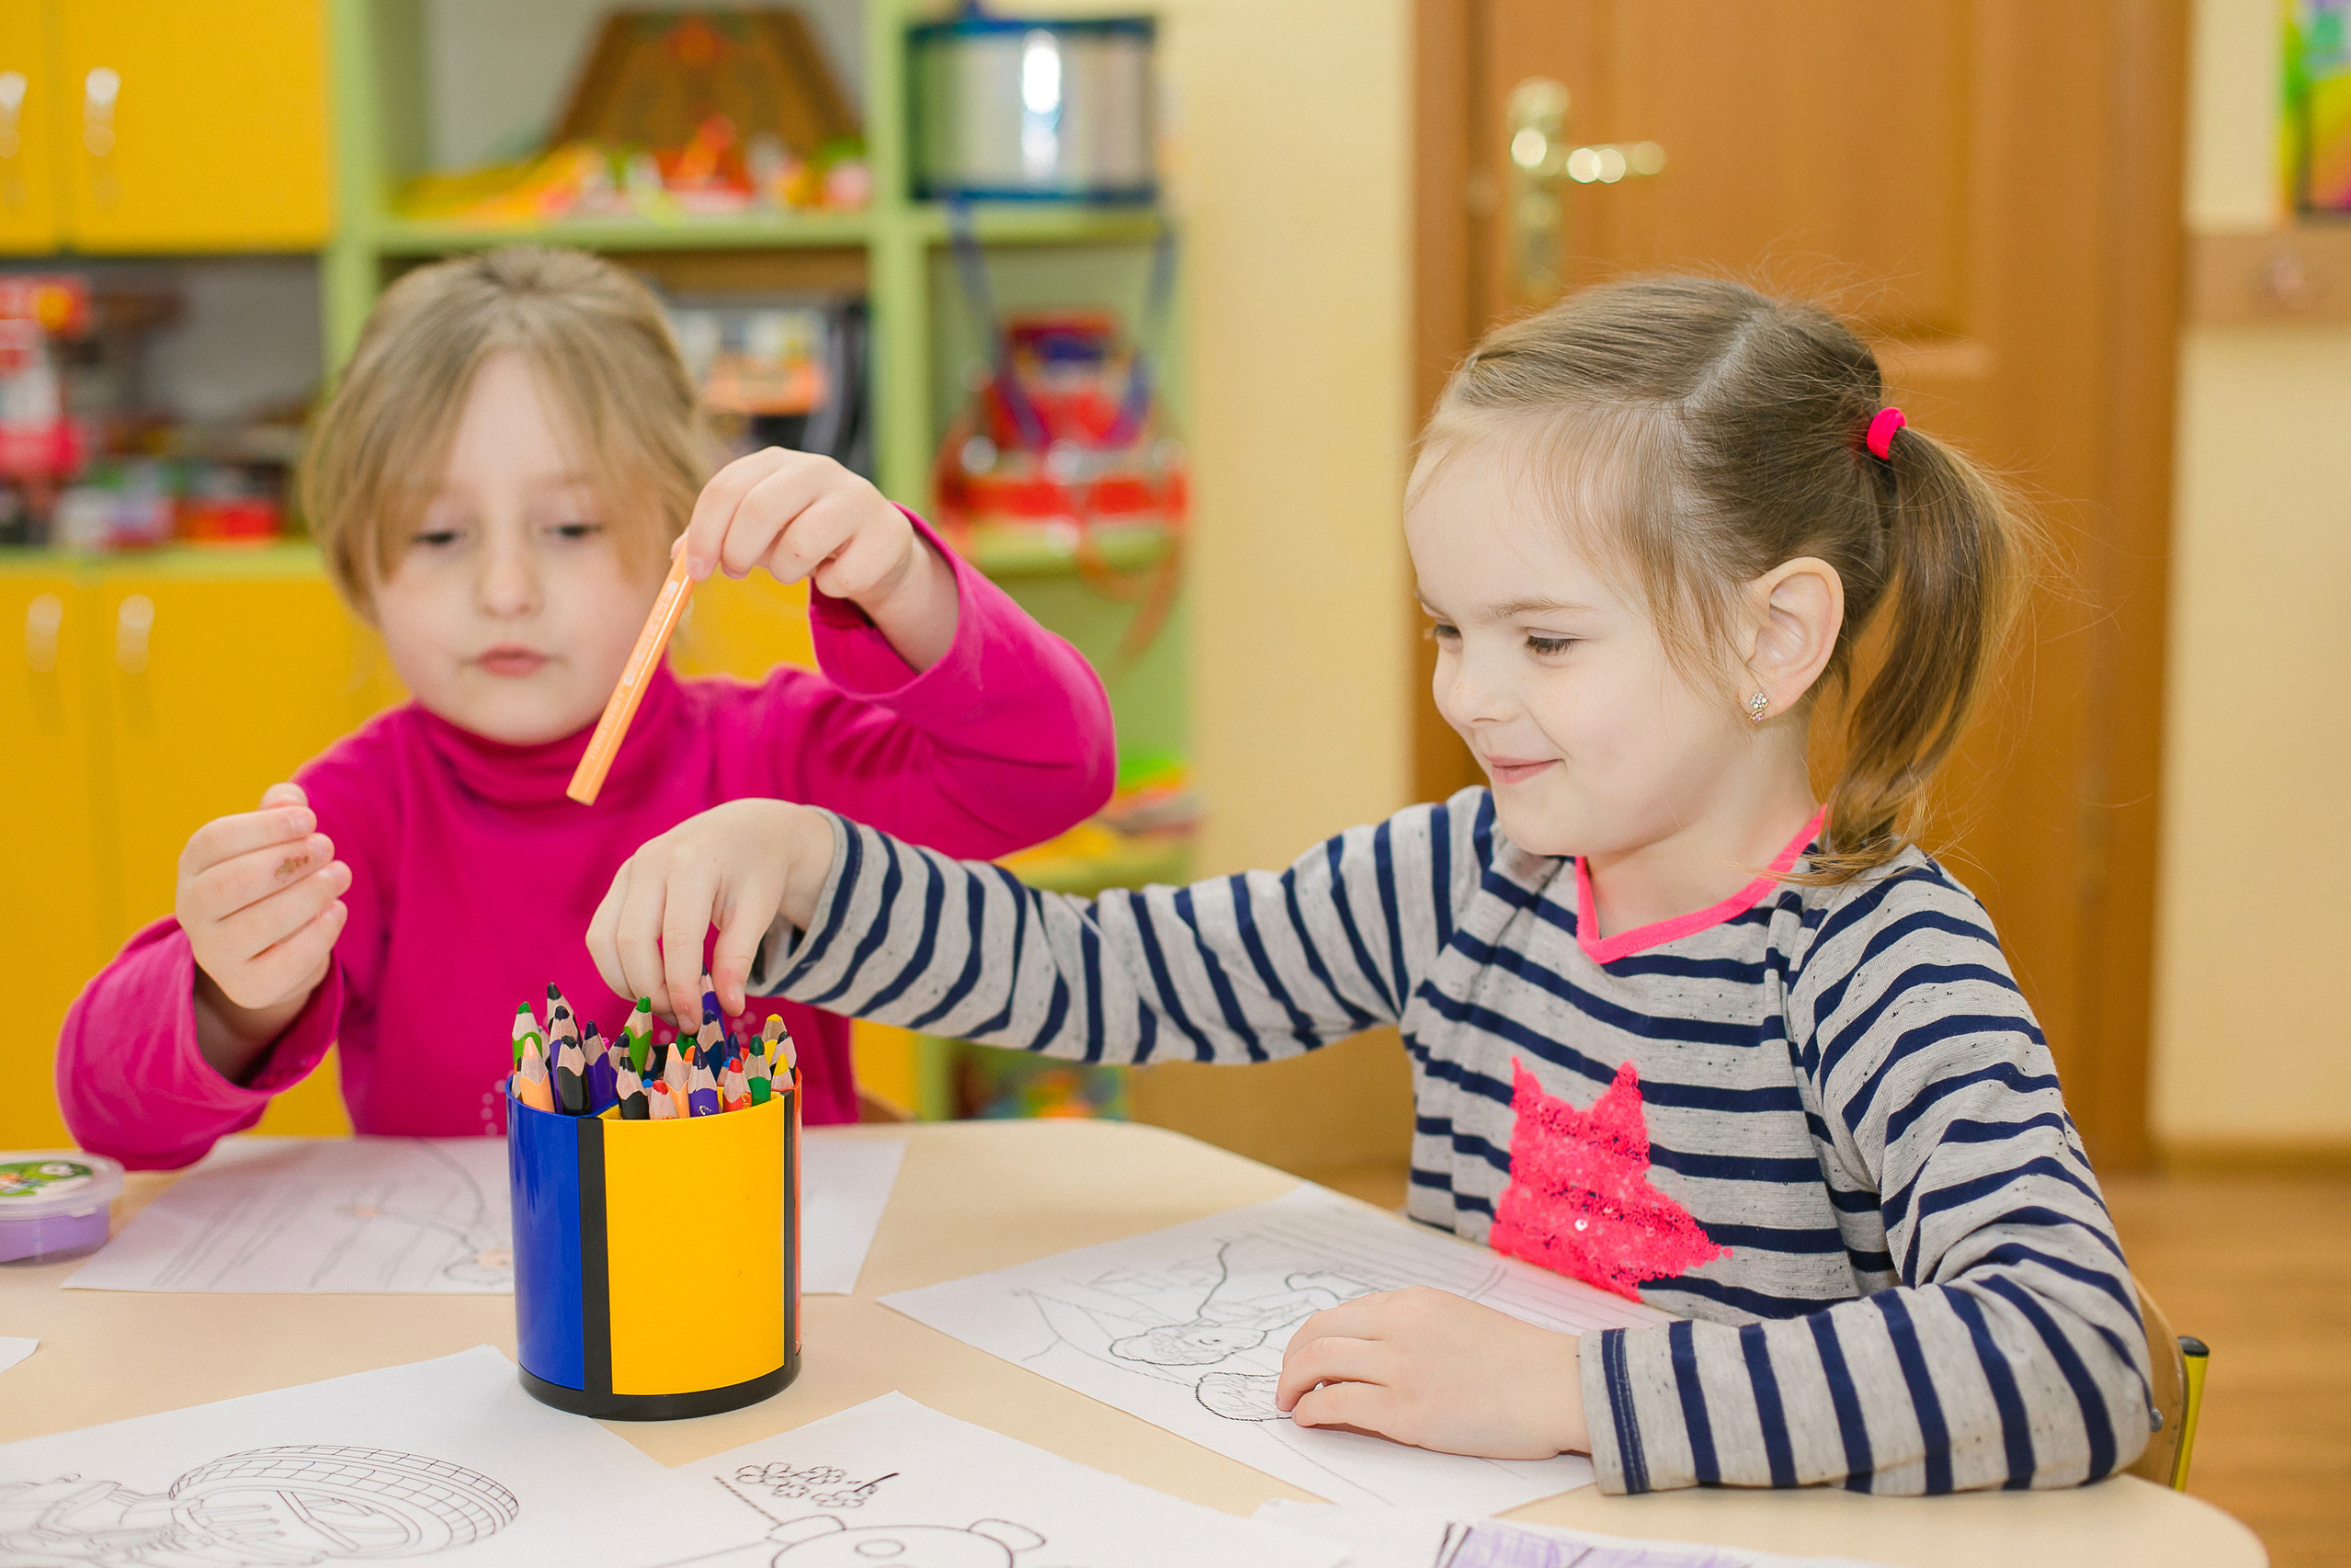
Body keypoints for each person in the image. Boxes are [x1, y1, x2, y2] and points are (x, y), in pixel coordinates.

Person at [588, 277, 2151, 1494]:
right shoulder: (1468, 870)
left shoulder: (1875, 957)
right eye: (1447, 630)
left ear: (1771, 639)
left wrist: (1560, 1395)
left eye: (1541, 640)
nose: (1470, 694)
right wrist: (811, 868)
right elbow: (1125, 975)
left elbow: (2080, 1348)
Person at [60, 247, 1114, 1167]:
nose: (505, 589)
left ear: (679, 534)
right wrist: (232, 996)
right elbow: (108, 1112)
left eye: (568, 527)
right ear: (357, 569)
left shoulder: (778, 757)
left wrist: (901, 583)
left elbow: (1055, 770)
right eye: (438, 536)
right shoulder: (353, 821)